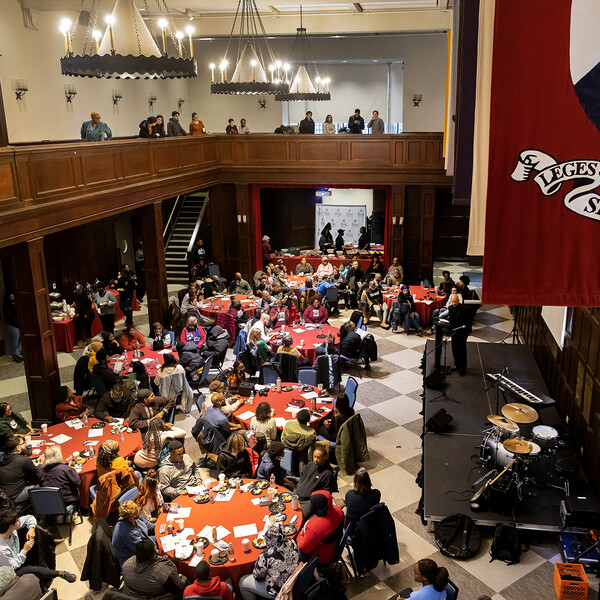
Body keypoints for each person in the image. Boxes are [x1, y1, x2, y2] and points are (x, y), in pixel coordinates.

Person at [0, 507, 76, 583]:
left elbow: (29, 518)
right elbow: (11, 568)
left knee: (36, 536)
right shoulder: (2, 549)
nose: (19, 521)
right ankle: (60, 573)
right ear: (11, 526)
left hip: (17, 556)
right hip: (11, 571)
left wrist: (31, 529)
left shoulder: (9, 529)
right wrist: (24, 550)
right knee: (30, 569)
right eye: (17, 520)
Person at [238, 523, 299, 600]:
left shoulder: (266, 555)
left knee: (242, 581)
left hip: (278, 590)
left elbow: (257, 577)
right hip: (293, 581)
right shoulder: (292, 542)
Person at [122, 538, 187, 600]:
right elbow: (178, 588)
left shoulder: (126, 564)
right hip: (156, 596)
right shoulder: (162, 570)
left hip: (132, 595)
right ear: (153, 555)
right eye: (155, 550)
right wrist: (183, 577)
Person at [297, 490, 344, 569]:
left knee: (297, 545)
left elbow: (303, 547)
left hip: (321, 560)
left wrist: (300, 535)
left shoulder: (315, 527)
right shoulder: (339, 511)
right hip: (333, 549)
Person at [0, 438, 41, 509]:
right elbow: (38, 476)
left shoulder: (3, 456)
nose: (25, 445)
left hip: (3, 495)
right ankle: (40, 510)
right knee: (41, 484)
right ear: (18, 448)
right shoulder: (23, 460)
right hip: (14, 497)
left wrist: (35, 460)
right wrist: (42, 464)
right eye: (23, 444)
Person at [112, 501, 155, 568]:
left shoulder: (136, 518)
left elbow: (150, 526)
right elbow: (143, 552)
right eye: (137, 509)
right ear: (132, 516)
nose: (139, 508)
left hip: (144, 542)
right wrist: (158, 552)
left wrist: (164, 528)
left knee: (162, 538)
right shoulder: (128, 533)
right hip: (132, 560)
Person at [281, 410, 317, 475]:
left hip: (288, 449)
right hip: (302, 453)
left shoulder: (288, 425)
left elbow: (282, 438)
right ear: (308, 420)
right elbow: (310, 451)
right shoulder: (311, 432)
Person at [448, 294, 470, 376]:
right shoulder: (450, 308)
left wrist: (467, 332)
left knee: (462, 350)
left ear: (458, 301)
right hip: (454, 332)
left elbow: (468, 321)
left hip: (462, 333)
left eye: (455, 301)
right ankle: (456, 364)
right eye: (452, 301)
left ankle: (462, 368)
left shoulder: (464, 309)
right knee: (454, 349)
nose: (453, 303)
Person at [2, 293, 22, 363]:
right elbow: (9, 316)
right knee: (15, 339)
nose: (12, 296)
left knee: (21, 338)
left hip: (17, 323)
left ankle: (17, 353)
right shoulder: (7, 305)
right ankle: (15, 354)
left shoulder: (16, 302)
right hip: (11, 324)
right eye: (11, 295)